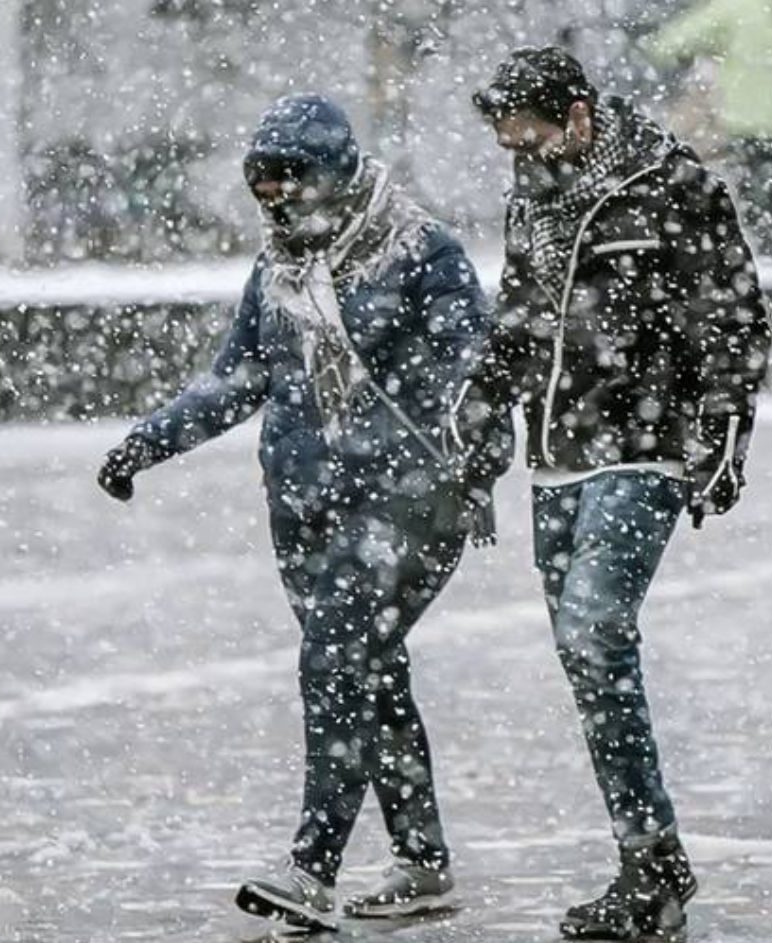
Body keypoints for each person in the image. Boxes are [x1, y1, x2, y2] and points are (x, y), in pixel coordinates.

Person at [97, 93, 510, 932]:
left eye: (293, 175)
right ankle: (423, 864)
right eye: (263, 180)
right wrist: (149, 441)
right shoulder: (278, 267)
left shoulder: (421, 252)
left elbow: (479, 379)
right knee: (370, 672)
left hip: (406, 507)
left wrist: (459, 468)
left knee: (336, 663)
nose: (278, 194)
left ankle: (312, 866)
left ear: (340, 171)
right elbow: (239, 377)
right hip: (306, 508)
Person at [460, 48, 771, 942]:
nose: (524, 155)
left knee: (596, 630)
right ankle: (653, 859)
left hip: (645, 444)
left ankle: (651, 865)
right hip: (554, 455)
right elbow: (517, 317)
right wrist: (481, 415)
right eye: (509, 143)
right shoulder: (530, 194)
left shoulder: (670, 184)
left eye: (535, 136)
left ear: (580, 114)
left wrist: (723, 427)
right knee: (581, 656)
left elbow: (733, 308)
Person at [644, 0, 772, 257]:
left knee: (754, 201)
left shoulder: (734, 7)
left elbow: (667, 44)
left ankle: (764, 261)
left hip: (748, 120)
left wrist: (707, 49)